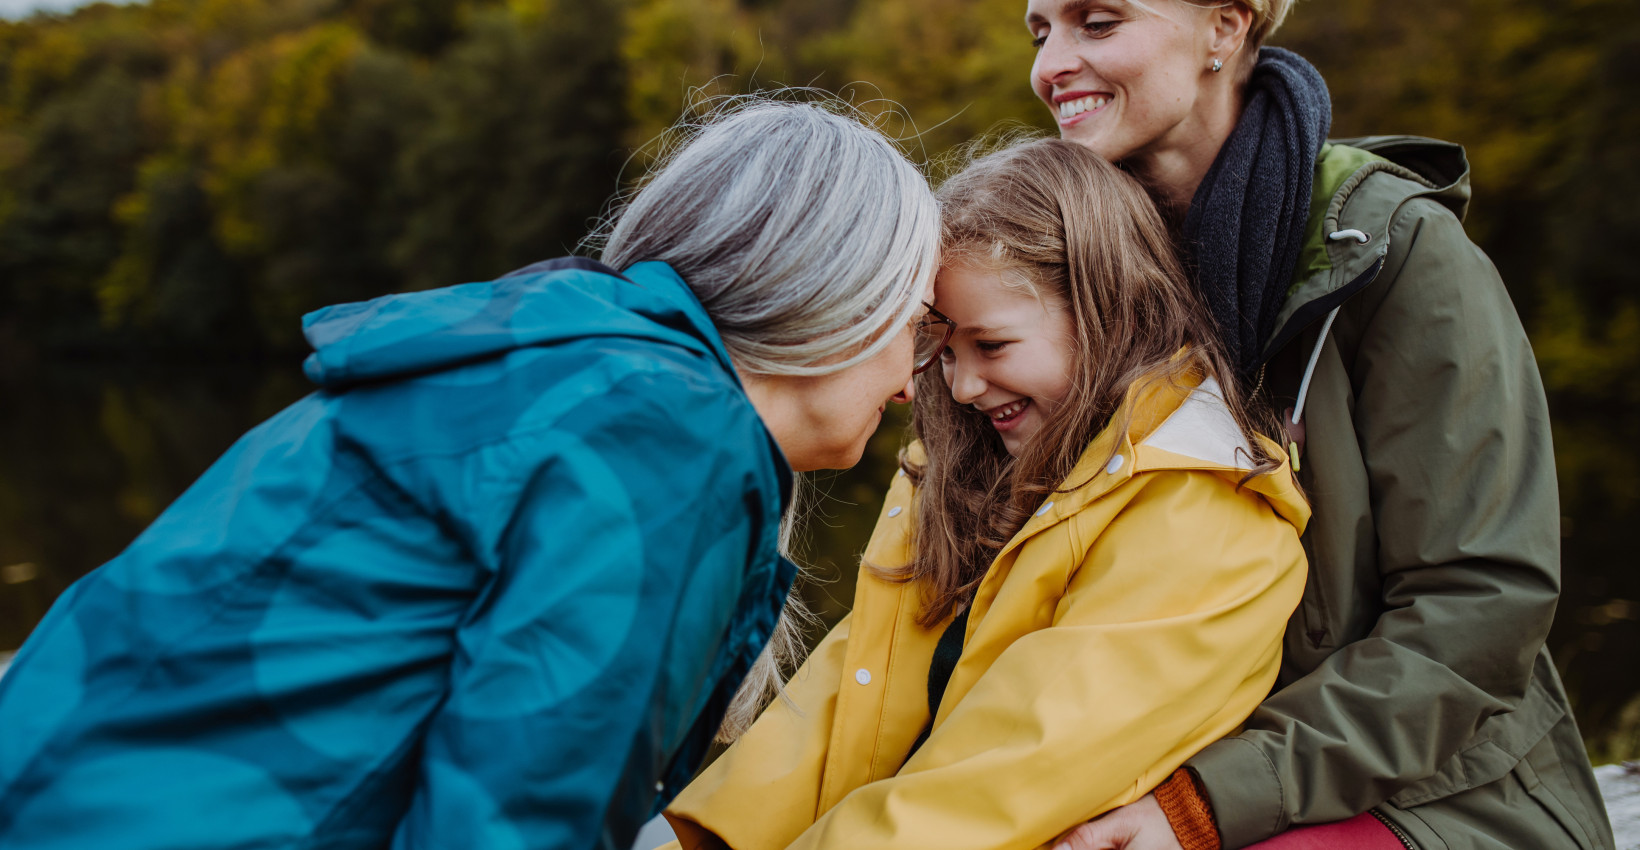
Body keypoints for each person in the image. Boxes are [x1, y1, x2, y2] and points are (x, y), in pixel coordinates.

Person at [0, 99, 940, 850]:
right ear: (834, 294)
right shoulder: (668, 436)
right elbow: (515, 819)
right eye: (914, 323)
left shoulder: (569, 369)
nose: (912, 380)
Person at [1024, 2, 1614, 848]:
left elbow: (1479, 608)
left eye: (1098, 22)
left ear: (1224, 29)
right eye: (1040, 33)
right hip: (1138, 764)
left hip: (1432, 795)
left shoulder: (1397, 249)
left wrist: (1200, 805)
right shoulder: (1059, 270)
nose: (1052, 66)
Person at [660, 138, 1309, 850]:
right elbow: (846, 697)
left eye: (992, 346)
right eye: (944, 352)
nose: (962, 388)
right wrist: (692, 838)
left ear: (1106, 312)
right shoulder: (952, 473)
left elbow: (1001, 779)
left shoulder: (1207, 521)